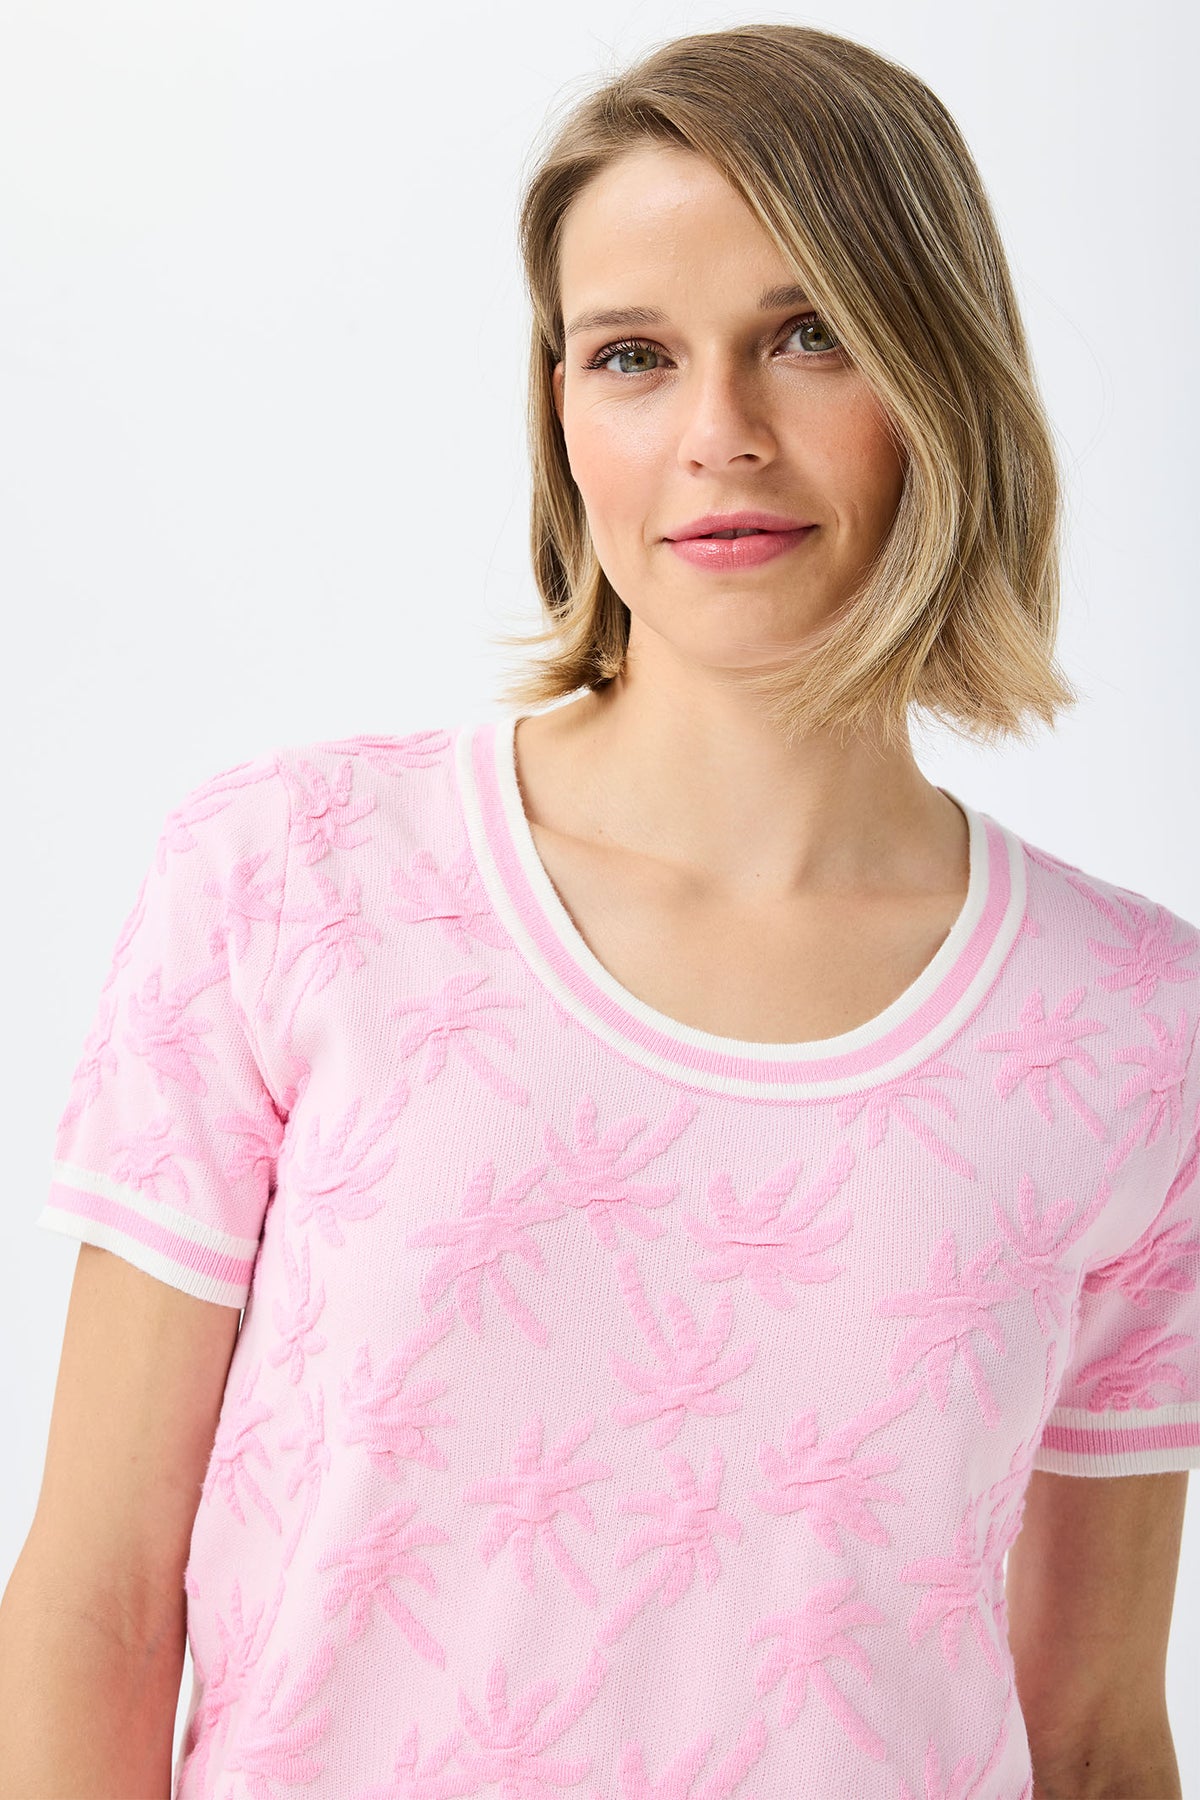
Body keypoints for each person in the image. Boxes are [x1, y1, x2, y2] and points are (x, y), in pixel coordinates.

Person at [0, 21, 1195, 1800]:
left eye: (809, 335)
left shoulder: (1134, 1028)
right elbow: (97, 1600)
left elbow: (1092, 1732)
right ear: (562, 415)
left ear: (940, 372)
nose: (720, 435)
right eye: (633, 356)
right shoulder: (294, 877)